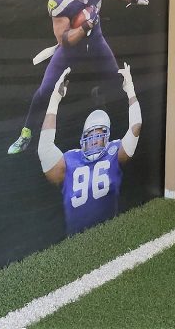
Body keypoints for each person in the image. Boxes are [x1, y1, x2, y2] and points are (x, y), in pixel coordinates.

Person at [8, 0, 148, 155]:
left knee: (115, 80)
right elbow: (64, 40)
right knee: (45, 90)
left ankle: (121, 127)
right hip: (72, 48)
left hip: (97, 39)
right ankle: (26, 132)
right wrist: (84, 26)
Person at [37, 64, 141, 236]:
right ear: (83, 137)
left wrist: (130, 89)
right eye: (90, 134)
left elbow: (136, 127)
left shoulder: (113, 152)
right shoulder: (70, 159)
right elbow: (44, 148)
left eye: (98, 134)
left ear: (106, 137)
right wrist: (54, 99)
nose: (93, 139)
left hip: (109, 232)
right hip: (75, 237)